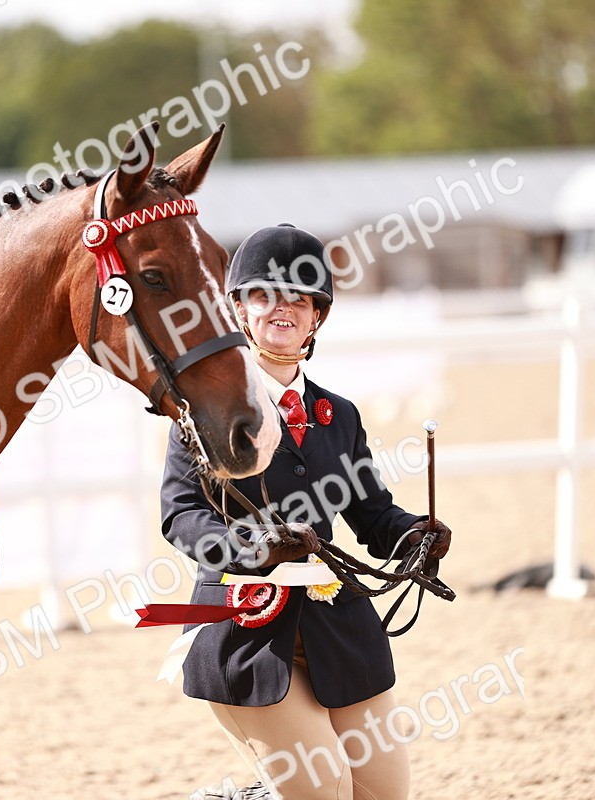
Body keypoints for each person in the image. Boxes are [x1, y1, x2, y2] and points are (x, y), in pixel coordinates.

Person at [159, 224, 453, 800]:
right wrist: (251, 548)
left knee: (383, 794)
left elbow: (372, 515)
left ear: (317, 315)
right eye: (265, 294)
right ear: (240, 307)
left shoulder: (339, 416)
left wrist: (415, 534)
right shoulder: (203, 411)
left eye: (299, 297)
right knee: (324, 792)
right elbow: (180, 513)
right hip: (245, 632)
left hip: (337, 630)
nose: (282, 309)